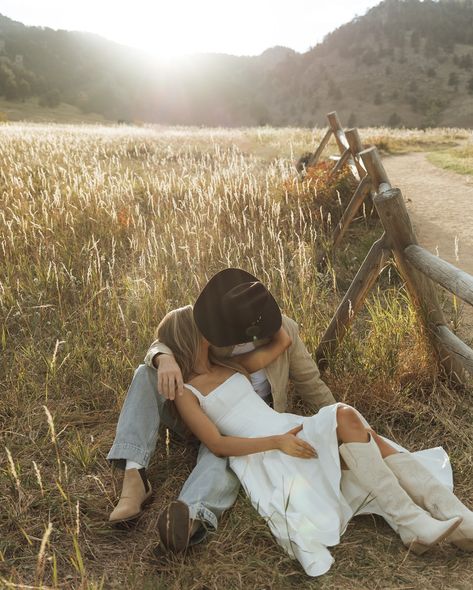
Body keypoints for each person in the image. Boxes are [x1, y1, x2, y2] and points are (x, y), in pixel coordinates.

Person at [157, 303, 473, 577]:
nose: (211, 326)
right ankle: (423, 522)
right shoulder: (186, 391)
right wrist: (276, 442)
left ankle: (434, 518)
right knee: (356, 426)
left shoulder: (231, 365)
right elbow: (217, 444)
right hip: (266, 449)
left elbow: (282, 340)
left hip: (288, 426)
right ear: (190, 335)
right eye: (202, 324)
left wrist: (261, 308)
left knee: (350, 420)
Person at [107, 269, 336, 549]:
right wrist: (163, 357)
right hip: (196, 402)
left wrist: (334, 417)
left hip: (248, 419)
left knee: (223, 455)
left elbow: (310, 382)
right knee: (145, 373)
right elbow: (168, 334)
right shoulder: (209, 320)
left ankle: (189, 518)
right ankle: (134, 475)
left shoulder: (282, 332)